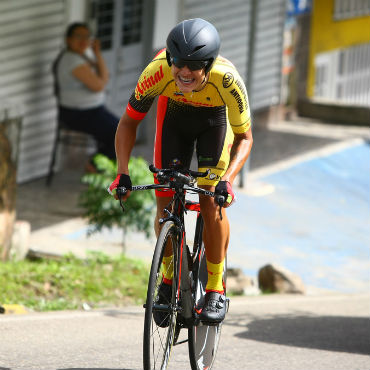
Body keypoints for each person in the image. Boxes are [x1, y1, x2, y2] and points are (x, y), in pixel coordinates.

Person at [109, 18, 253, 323]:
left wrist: (227, 181)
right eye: (179, 63)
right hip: (174, 120)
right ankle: (169, 277)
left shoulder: (227, 80)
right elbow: (128, 123)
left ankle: (215, 286)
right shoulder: (157, 71)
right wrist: (122, 172)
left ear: (209, 64)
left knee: (210, 199)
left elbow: (245, 138)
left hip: (214, 123)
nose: (185, 72)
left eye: (195, 65)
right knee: (164, 200)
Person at [53, 22, 118, 162]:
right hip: (77, 114)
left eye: (87, 36)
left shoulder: (81, 56)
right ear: (68, 40)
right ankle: (96, 165)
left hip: (91, 110)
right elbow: (99, 85)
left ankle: (99, 164)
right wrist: (101, 79)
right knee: (119, 132)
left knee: (119, 129)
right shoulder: (72, 60)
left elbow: (104, 76)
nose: (83, 40)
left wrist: (97, 53)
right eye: (78, 36)